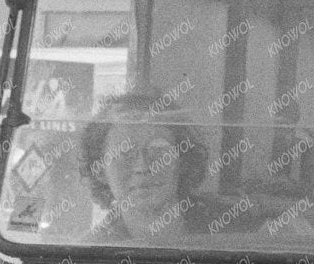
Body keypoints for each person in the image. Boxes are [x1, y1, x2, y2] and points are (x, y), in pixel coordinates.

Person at [79, 94, 217, 242]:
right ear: (100, 171)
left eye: (158, 150)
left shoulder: (231, 223)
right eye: (124, 154)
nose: (142, 167)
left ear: (182, 162)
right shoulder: (90, 253)